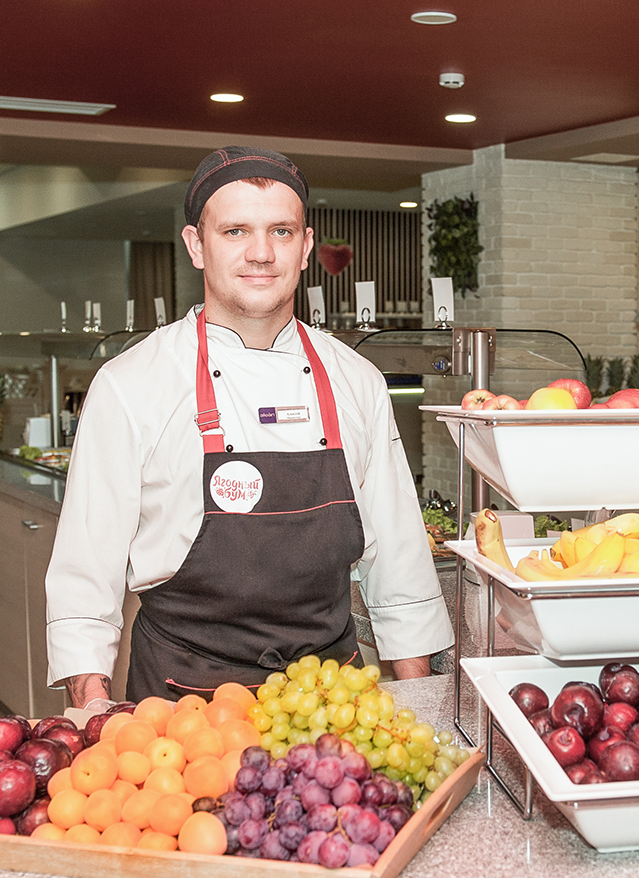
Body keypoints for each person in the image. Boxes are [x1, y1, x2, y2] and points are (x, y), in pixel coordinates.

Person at [44, 146, 452, 709]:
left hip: (332, 699)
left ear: (305, 248)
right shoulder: (130, 384)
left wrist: (421, 704)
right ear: (196, 245)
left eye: (281, 231)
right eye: (235, 231)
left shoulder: (356, 380)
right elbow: (87, 571)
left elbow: (400, 560)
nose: (261, 253)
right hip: (183, 704)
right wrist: (93, 709)